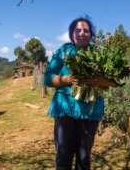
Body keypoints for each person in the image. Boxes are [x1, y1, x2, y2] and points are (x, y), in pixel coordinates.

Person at [44, 17, 115, 170]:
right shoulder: (63, 52)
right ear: (71, 34)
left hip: (90, 113)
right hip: (65, 112)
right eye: (78, 30)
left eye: (86, 30)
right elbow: (47, 78)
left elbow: (113, 82)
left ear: (91, 34)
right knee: (63, 155)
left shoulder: (98, 55)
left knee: (84, 158)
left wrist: (99, 80)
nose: (82, 33)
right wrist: (65, 79)